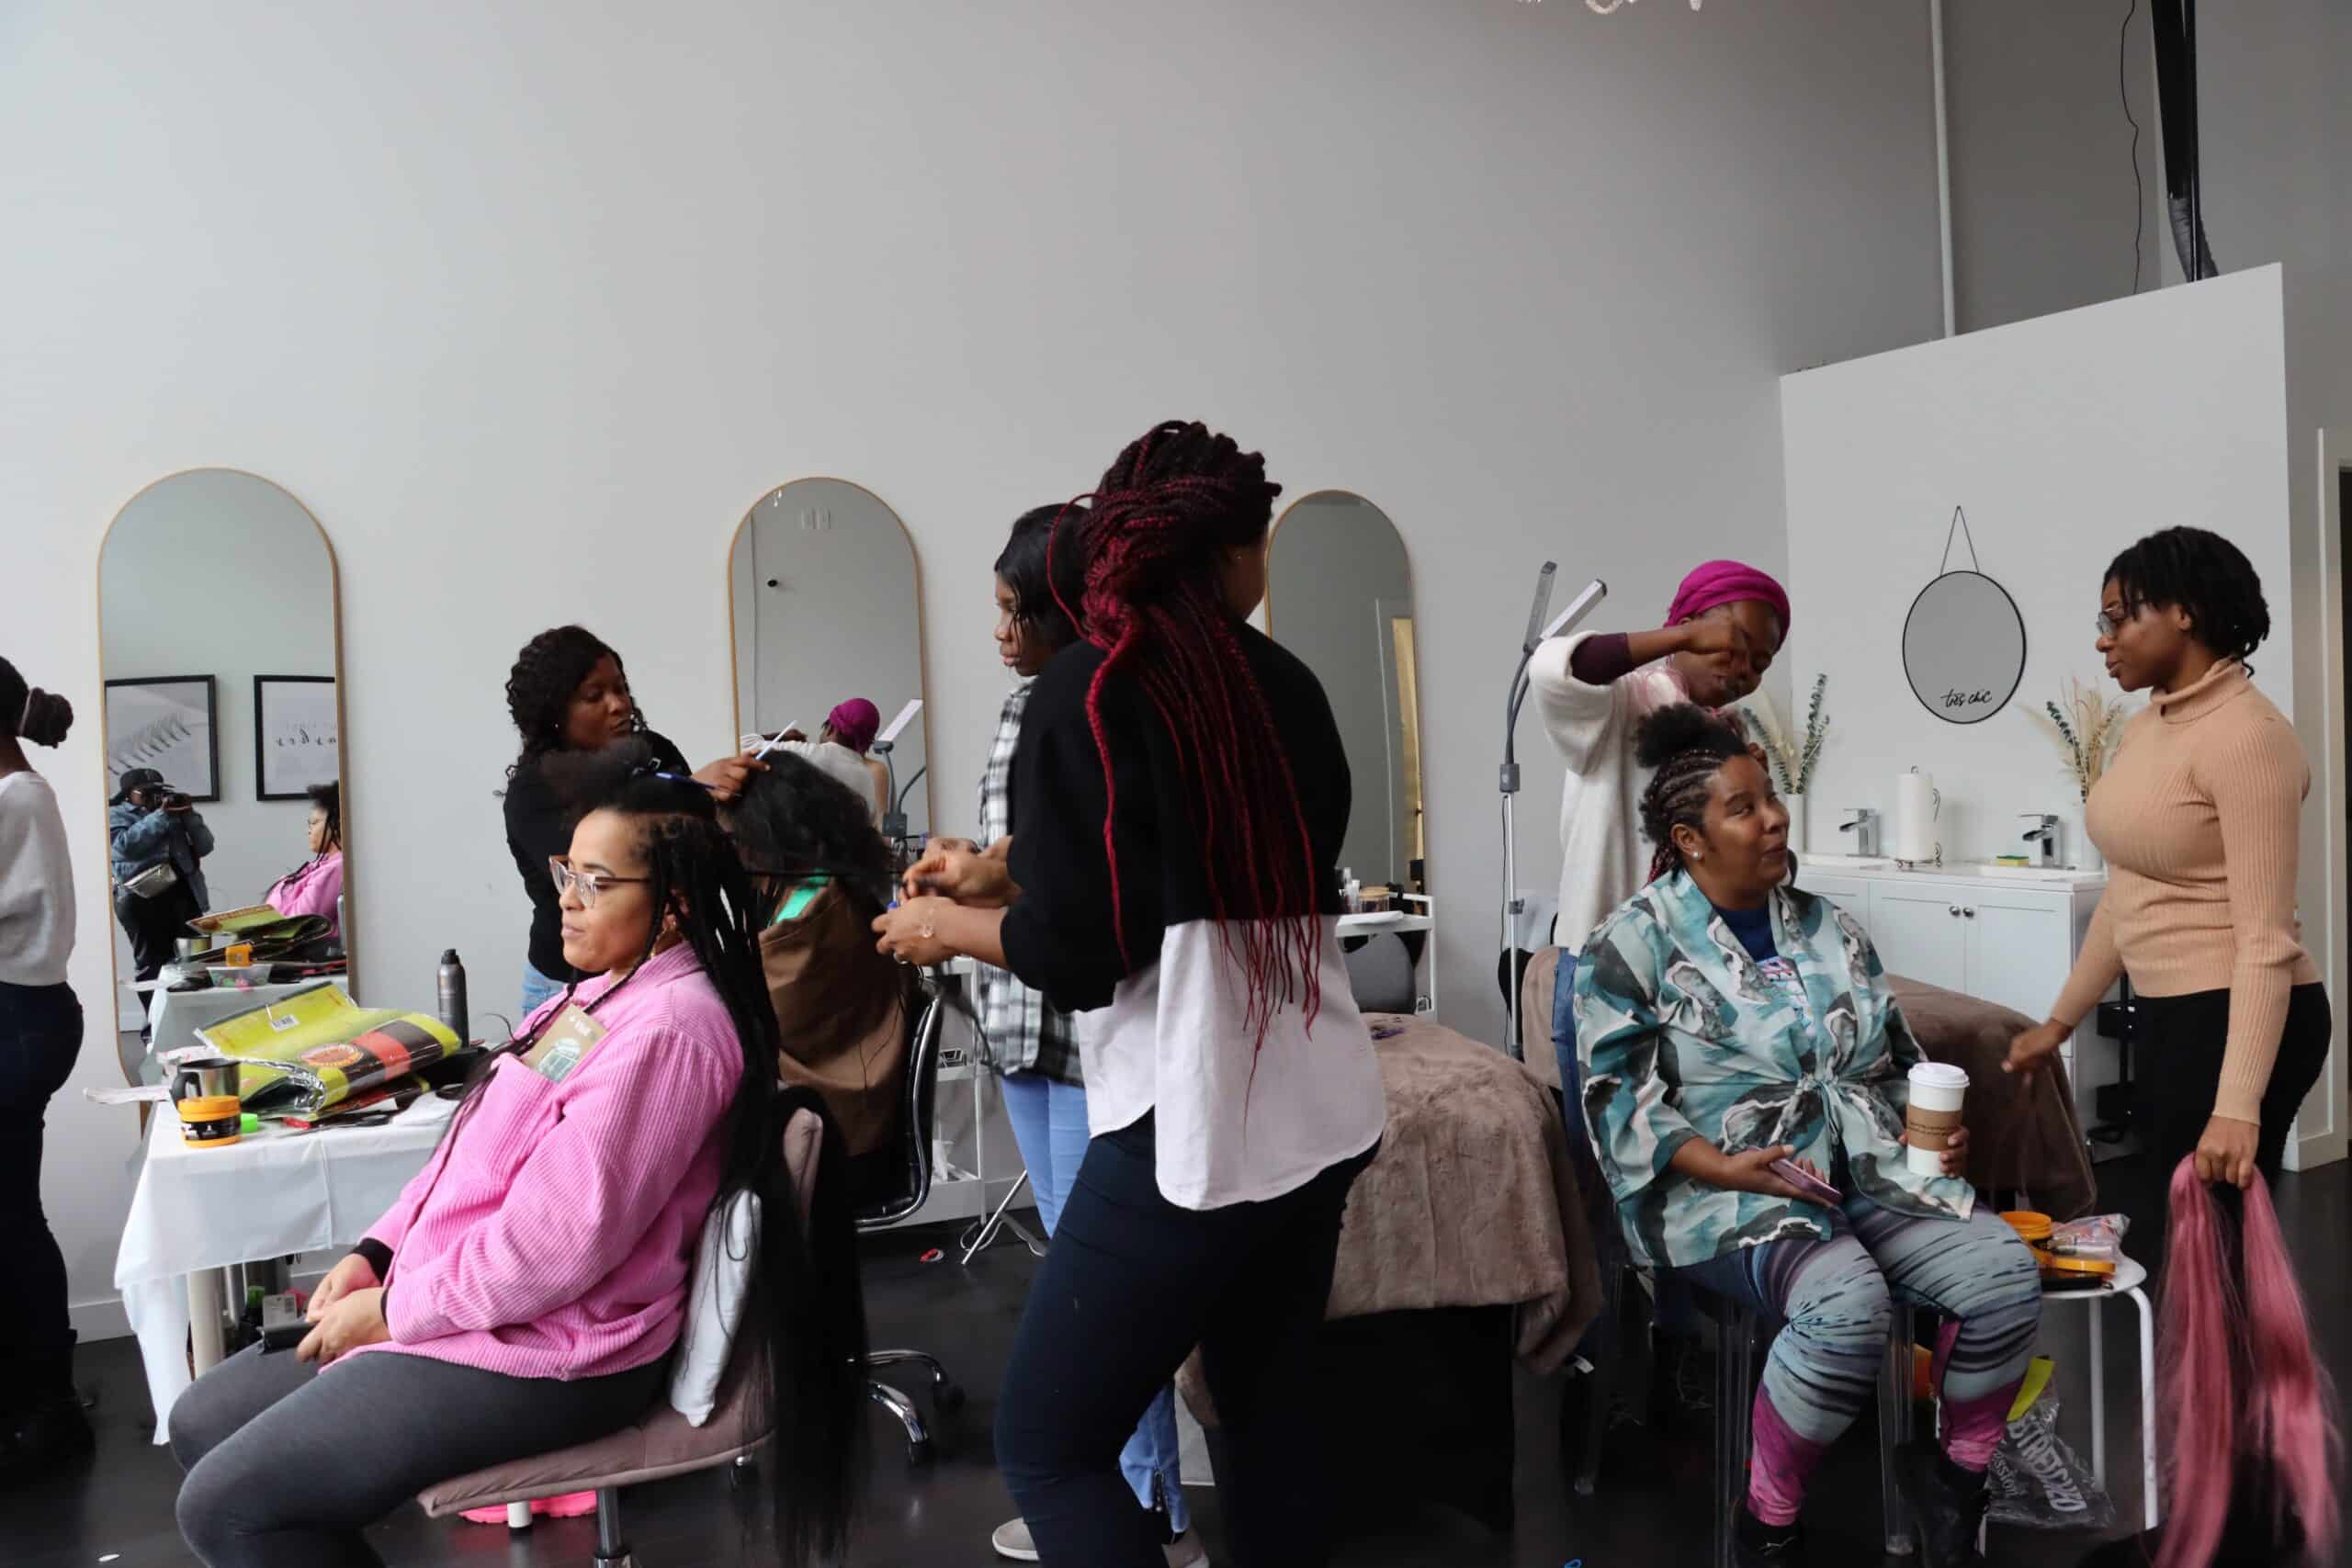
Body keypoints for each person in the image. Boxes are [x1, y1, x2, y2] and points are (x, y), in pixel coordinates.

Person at [876, 422, 1385, 1567]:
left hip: (1190, 1121)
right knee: (1264, 1419)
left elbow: (1083, 950)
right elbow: (1206, 868)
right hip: (1315, 1110)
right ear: (1238, 555)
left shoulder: (1092, 690)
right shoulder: (1285, 685)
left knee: (1050, 1446)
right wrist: (1007, 873)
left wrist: (941, 926)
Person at [169, 756, 868, 1568]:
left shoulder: (670, 1028)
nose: (566, 897)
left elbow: (555, 1245)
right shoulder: (599, 993)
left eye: (596, 882)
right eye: (566, 870)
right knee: (200, 1421)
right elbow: (468, 1154)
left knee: (230, 1507)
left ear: (672, 905)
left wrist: (396, 1312)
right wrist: (376, 1252)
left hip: (551, 1349)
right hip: (464, 1306)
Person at [1577, 705, 2042, 1568]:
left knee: (2005, 1275)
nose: (1775, 818)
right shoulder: (1629, 945)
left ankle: (1952, 1477)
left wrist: (1928, 1130)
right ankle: (1768, 1524)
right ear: (1689, 837)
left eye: (1772, 799)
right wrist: (1727, 1165)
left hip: (1865, 1168)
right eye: (1744, 807)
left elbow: (1896, 1056)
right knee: (1847, 1305)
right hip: (1722, 1191)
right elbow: (1617, 1104)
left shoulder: (1828, 925)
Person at [1997, 529, 2335, 1563]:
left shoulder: (2247, 738)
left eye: (2116, 616)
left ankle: (2238, 1514)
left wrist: (2238, 1104)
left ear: (2179, 613)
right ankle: (2220, 1491)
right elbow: (2131, 896)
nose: (2102, 640)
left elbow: (2263, 939)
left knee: (2215, 1267)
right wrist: (2059, 1017)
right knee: (2192, 1265)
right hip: (2179, 1018)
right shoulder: (2152, 728)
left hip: (2244, 1018)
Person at [899, 504, 1198, 1565]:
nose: (997, 631)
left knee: (1102, 1295)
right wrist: (971, 866)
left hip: (1081, 1028)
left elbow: (1082, 884)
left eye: (1010, 610)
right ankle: (1132, 1491)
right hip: (1029, 1021)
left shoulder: (1090, 710)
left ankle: (1145, 1505)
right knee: (1088, 1283)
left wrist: (951, 921)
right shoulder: (1041, 707)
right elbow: (1033, 859)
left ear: (1059, 606)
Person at [1526, 558, 1789, 1406]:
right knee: (1601, 1176)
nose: (1744, 666)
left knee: (1694, 1168)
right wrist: (1676, 639)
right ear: (1693, 619)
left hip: (1695, 990)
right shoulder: (1624, 700)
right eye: (1737, 642)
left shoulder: (1732, 731)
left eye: (1761, 658)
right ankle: (1598, 1360)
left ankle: (1678, 1344)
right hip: (1603, 981)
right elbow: (1552, 666)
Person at [502, 626, 761, 1014]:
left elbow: (692, 849)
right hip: (572, 986)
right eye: (595, 696)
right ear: (554, 714)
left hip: (666, 970)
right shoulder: (534, 792)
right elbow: (610, 872)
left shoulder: (653, 749)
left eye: (620, 689)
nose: (618, 704)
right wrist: (691, 789)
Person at [718, 748, 915, 1205]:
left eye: (733, 838)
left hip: (828, 1147)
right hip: (861, 1132)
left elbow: (759, 1010)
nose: (731, 852)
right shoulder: (841, 885)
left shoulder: (807, 915)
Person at [0, 658, 93, 1480]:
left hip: (16, 1020)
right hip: (25, 1016)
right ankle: (39, 1393)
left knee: (11, 1214)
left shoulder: (15, 799)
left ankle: (50, 1400)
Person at [108, 764, 215, 1026]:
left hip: (182, 895)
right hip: (139, 899)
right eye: (146, 792)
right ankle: (156, 1027)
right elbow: (123, 848)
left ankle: (195, 1024)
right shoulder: (114, 814)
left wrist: (189, 815)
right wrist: (160, 818)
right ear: (128, 795)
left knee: (194, 962)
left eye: (158, 791)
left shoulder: (174, 811)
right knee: (151, 964)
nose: (154, 797)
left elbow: (205, 846)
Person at [767, 698, 888, 823]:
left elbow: (747, 744)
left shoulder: (807, 753)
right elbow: (880, 826)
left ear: (831, 728)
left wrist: (775, 737)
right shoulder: (869, 773)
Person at [261, 781, 344, 931]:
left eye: (314, 822)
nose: (308, 830)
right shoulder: (322, 865)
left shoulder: (336, 868)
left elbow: (301, 923)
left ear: (337, 824)